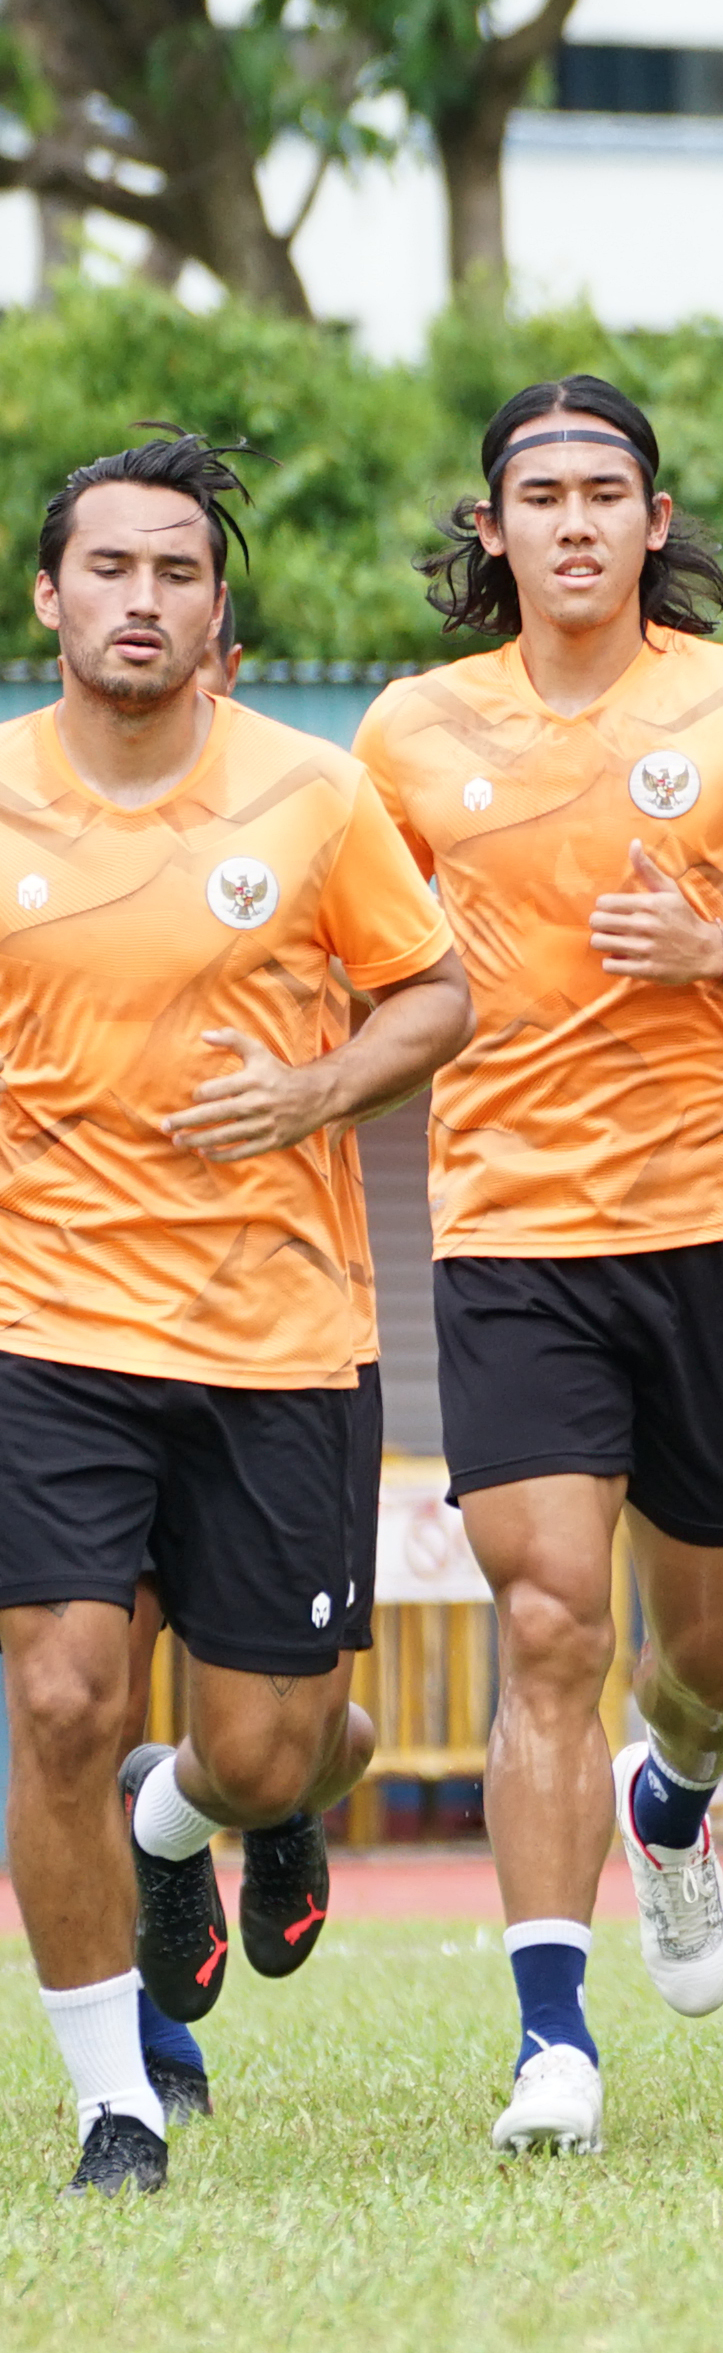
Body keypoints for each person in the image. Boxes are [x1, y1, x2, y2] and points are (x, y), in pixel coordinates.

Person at [356, 376, 723, 2155]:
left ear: (657, 521)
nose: (577, 521)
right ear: (493, 529)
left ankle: (672, 1799)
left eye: (608, 491)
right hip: (517, 1235)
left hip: (714, 1235)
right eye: (541, 494)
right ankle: (553, 2039)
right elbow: (352, 956)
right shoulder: (407, 733)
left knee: (704, 1659)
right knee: (546, 1621)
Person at [7, 439, 470, 2193]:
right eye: (108, 568)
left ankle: (195, 1815)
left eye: (177, 573)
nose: (142, 600)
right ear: (51, 594)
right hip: (46, 1327)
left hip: (278, 1337)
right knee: (56, 1698)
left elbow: (437, 995)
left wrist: (320, 1088)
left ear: (218, 607)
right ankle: (113, 2100)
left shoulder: (312, 796)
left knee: (281, 1740)